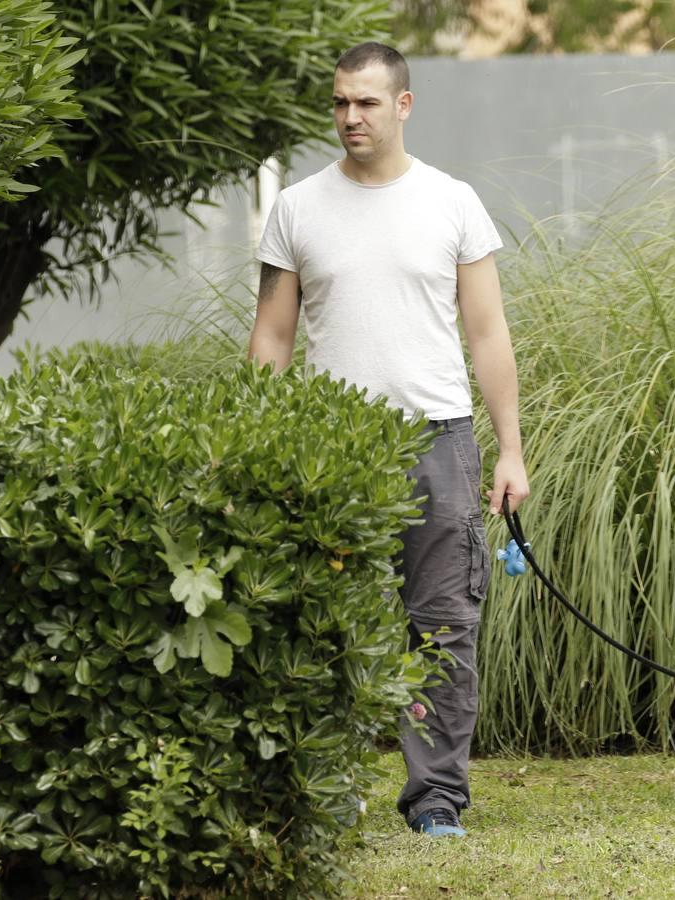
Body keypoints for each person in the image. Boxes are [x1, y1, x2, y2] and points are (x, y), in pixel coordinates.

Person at [247, 41, 529, 838]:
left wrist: (509, 451)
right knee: (329, 623)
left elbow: (488, 334)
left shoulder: (452, 202)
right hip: (331, 446)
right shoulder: (297, 208)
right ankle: (328, 790)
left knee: (443, 623)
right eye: (339, 102)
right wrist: (260, 441)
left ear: (402, 106)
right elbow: (270, 339)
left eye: (366, 103)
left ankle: (435, 797)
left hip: (439, 440)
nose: (349, 117)